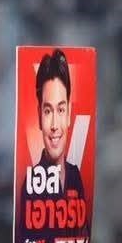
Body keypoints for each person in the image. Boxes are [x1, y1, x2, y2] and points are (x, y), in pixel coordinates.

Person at [32, 48, 85, 196]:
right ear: (39, 116)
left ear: (68, 113)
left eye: (61, 110)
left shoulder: (75, 175)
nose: (55, 125)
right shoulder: (31, 184)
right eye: (48, 111)